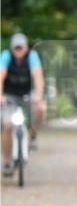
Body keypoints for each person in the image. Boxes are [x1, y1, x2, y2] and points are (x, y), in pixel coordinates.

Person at [1, 33, 46, 175]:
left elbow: (38, 76)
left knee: (40, 109)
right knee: (7, 126)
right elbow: (1, 75)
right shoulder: (6, 56)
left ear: (26, 48)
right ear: (12, 48)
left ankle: (33, 133)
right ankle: (7, 162)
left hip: (27, 94)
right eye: (16, 48)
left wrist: (38, 95)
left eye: (21, 48)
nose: (19, 51)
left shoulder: (32, 56)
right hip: (9, 96)